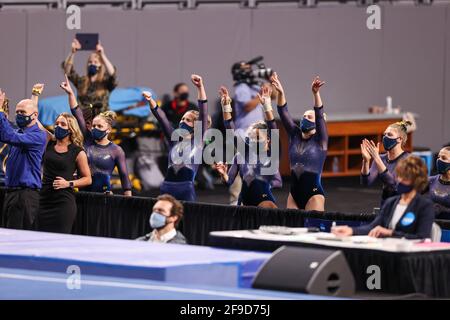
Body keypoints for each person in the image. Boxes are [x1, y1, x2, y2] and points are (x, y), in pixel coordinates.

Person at [60, 75, 132, 196]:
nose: (95, 129)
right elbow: (77, 113)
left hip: (104, 198)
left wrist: (129, 202)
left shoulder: (116, 150)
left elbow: (125, 178)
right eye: (93, 126)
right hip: (82, 195)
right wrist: (71, 93)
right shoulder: (88, 139)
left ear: (108, 130)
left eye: (99, 126)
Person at [142, 74, 210, 201]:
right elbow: (162, 118)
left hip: (186, 189)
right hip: (166, 188)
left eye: (188, 120)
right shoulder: (174, 139)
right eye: (182, 118)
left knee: (185, 220)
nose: (183, 121)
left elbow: (204, 112)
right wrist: (151, 100)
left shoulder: (198, 141)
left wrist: (200, 87)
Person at [332, 156, 434, 239]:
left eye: (405, 178)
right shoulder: (391, 202)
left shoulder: (424, 206)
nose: (400, 180)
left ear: (416, 180)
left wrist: (390, 233)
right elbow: (373, 227)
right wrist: (351, 230)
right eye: (399, 176)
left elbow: (422, 237)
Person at [214, 85, 281, 208]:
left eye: (257, 137)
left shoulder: (270, 155)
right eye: (250, 137)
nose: (253, 140)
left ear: (267, 140)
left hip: (264, 200)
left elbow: (278, 182)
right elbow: (229, 181)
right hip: (244, 203)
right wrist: (223, 174)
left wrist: (267, 106)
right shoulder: (241, 154)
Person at [275, 73, 328, 211]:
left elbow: (320, 115)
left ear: (317, 123)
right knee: (292, 230)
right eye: (304, 116)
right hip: (293, 195)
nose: (305, 118)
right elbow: (283, 112)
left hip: (313, 195)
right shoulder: (294, 135)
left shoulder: (321, 141)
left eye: (309, 117)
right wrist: (281, 92)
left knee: (313, 230)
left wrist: (315, 94)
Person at [36, 113, 92, 233]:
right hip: (44, 199)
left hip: (63, 203)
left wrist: (68, 183)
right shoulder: (50, 141)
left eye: (62, 124)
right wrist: (35, 94)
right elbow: (35, 120)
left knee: (58, 240)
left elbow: (88, 179)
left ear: (71, 129)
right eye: (56, 124)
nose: (58, 126)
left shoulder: (78, 152)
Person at [0, 86, 47, 230]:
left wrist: (1, 109)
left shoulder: (38, 136)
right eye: (17, 112)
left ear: (34, 116)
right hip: (11, 193)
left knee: (18, 239)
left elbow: (7, 135)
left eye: (23, 112)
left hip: (25, 195)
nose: (19, 115)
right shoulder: (19, 132)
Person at [361, 120, 412, 206]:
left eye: (390, 135)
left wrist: (376, 158)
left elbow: (393, 184)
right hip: (385, 204)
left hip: (402, 205)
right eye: (385, 134)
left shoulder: (407, 159)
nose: (385, 137)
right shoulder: (381, 158)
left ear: (399, 139)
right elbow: (366, 182)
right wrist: (366, 161)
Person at [62, 38, 117, 116]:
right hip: (84, 120)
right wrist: (72, 52)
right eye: (90, 62)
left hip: (101, 121)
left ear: (100, 65)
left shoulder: (105, 82)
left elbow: (113, 74)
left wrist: (102, 54)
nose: (92, 64)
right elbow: (68, 71)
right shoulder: (82, 81)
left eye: (95, 62)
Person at [426, 147, 450, 218]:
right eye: (438, 157)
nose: (439, 160)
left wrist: (443, 209)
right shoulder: (429, 181)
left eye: (444, 158)